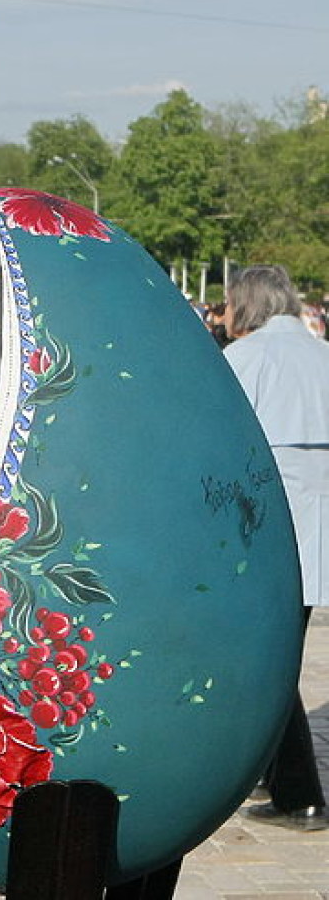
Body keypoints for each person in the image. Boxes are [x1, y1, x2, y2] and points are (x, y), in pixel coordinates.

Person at [224, 265, 329, 833]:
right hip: (319, 530)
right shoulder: (324, 355)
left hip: (269, 530)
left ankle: (300, 793)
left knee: (270, 667)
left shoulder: (246, 361)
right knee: (278, 657)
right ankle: (273, 774)